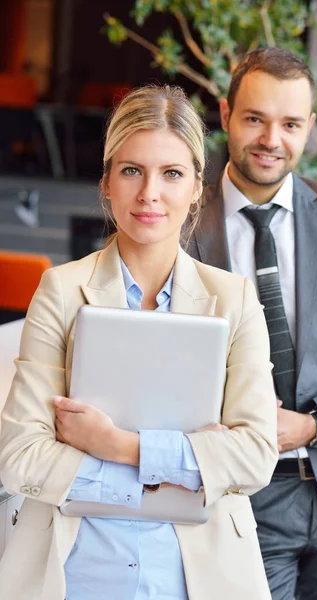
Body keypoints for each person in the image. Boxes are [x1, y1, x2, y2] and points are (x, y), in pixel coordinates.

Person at [0, 85, 279, 600]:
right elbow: (21, 456)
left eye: (171, 173)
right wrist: (176, 471)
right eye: (131, 170)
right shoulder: (61, 292)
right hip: (77, 568)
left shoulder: (234, 300)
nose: (150, 193)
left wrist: (118, 446)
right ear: (106, 182)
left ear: (198, 185)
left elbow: (255, 457)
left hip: (199, 574)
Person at [187, 47, 317, 600]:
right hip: (241, 499)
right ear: (227, 112)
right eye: (255, 118)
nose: (270, 139)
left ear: (310, 127)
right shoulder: (182, 234)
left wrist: (314, 425)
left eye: (289, 124)